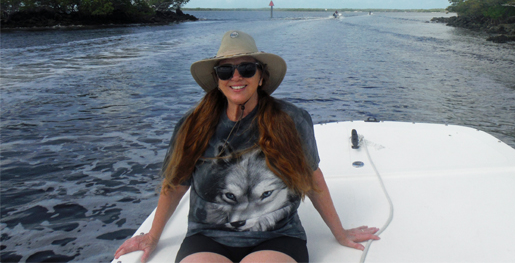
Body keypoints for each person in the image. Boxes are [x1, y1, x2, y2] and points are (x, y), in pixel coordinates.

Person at [114, 30, 379, 263]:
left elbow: (310, 177)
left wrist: (339, 232)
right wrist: (151, 236)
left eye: (247, 69)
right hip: (208, 236)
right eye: (226, 71)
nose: (236, 77)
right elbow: (174, 185)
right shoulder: (192, 125)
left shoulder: (292, 119)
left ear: (261, 76)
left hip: (276, 236)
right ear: (218, 80)